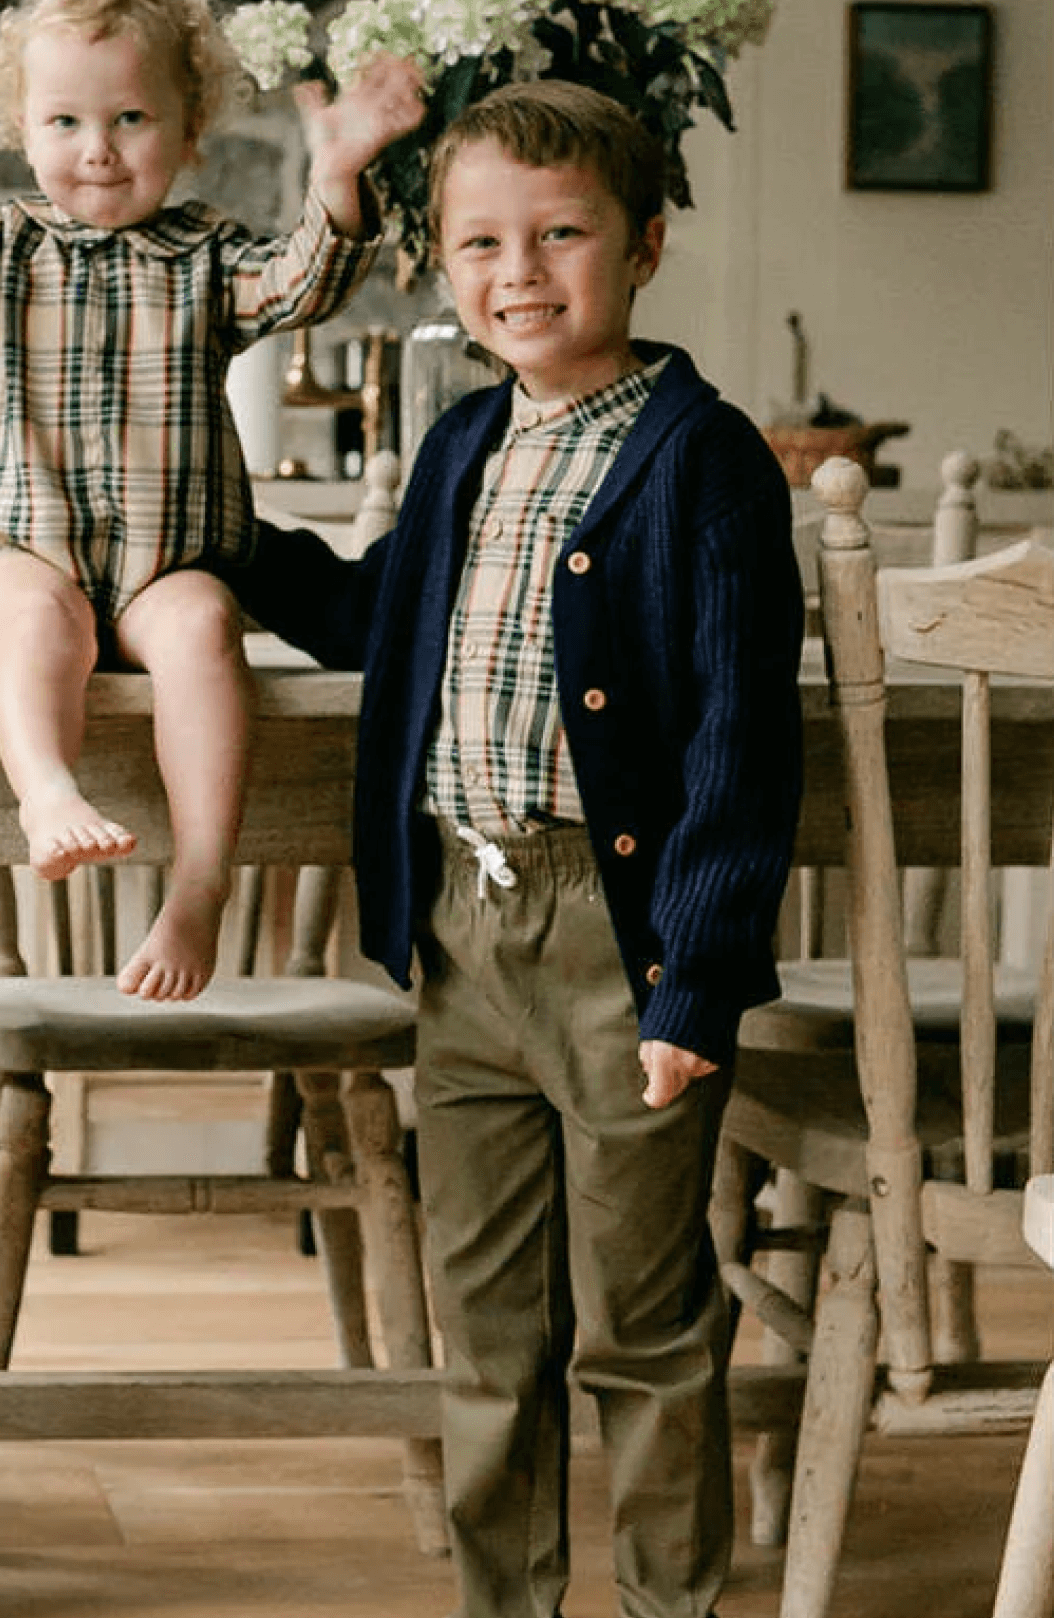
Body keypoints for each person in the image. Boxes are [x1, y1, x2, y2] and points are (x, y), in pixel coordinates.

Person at [219, 80, 803, 1618]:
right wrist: (218, 538)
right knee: (482, 1328)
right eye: (479, 241)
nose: (517, 272)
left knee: (644, 1320)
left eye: (559, 234)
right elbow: (373, 617)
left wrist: (693, 981)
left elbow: (742, 750)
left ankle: (668, 1603)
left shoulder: (705, 459)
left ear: (646, 245)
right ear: (438, 260)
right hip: (460, 929)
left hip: (623, 945)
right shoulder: (466, 437)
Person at [0, 0, 424, 1000]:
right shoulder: (5, 252)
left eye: (130, 120)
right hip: (14, 550)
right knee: (39, 621)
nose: (97, 150)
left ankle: (199, 881)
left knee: (201, 623)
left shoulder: (211, 263)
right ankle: (46, 790)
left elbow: (302, 281)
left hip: (161, 565)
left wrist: (339, 179)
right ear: (21, 131)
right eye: (65, 123)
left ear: (188, 133)